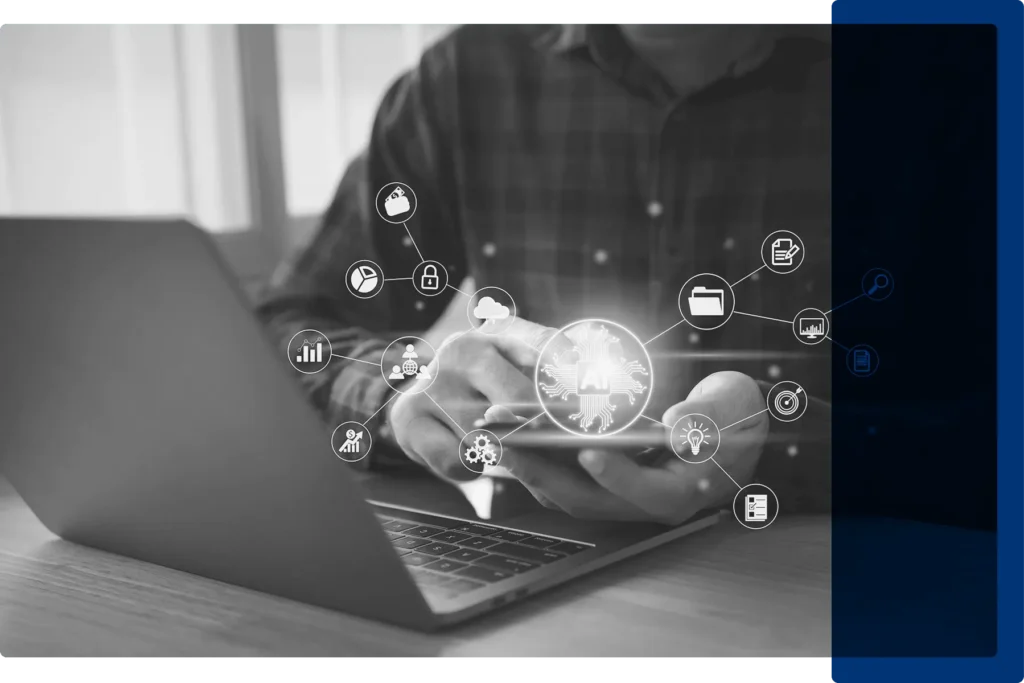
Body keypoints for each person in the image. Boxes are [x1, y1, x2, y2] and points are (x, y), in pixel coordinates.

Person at [256, 16, 831, 525]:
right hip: (545, 548)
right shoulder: (468, 77)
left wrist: (782, 437)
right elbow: (284, 331)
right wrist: (402, 392)